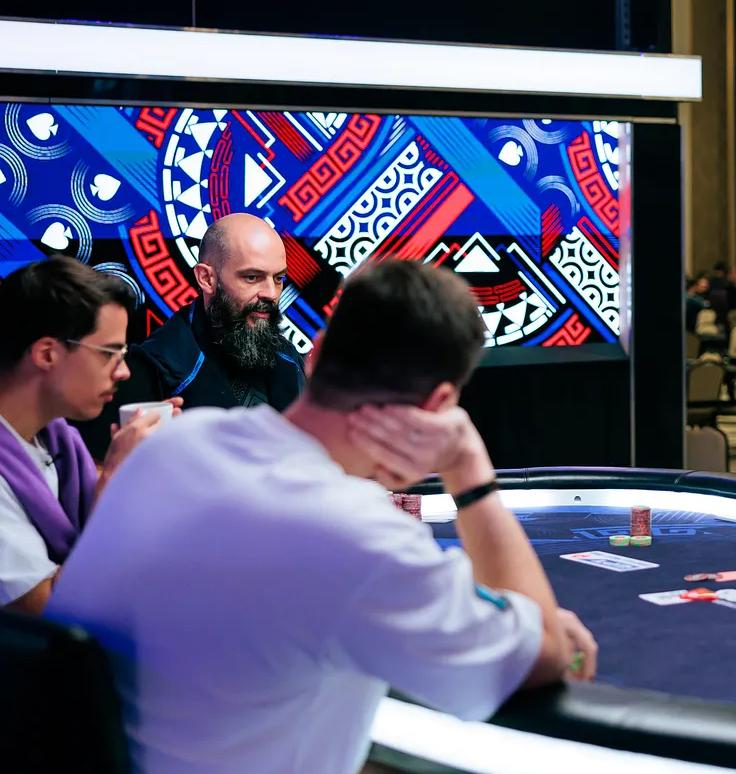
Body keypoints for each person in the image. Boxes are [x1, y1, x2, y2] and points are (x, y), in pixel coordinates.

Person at [48, 260, 596, 774]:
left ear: (317, 354)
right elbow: (546, 652)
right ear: (440, 404)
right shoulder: (361, 538)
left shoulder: (175, 445)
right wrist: (469, 471)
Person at [0, 258, 166, 613]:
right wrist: (116, 484)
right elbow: (50, 615)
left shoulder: (59, 442)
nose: (123, 371)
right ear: (47, 353)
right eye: (110, 353)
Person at [93, 213, 303, 459]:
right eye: (252, 277)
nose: (271, 293)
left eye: (278, 279)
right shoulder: (154, 366)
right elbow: (107, 469)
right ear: (206, 278)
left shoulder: (286, 355)